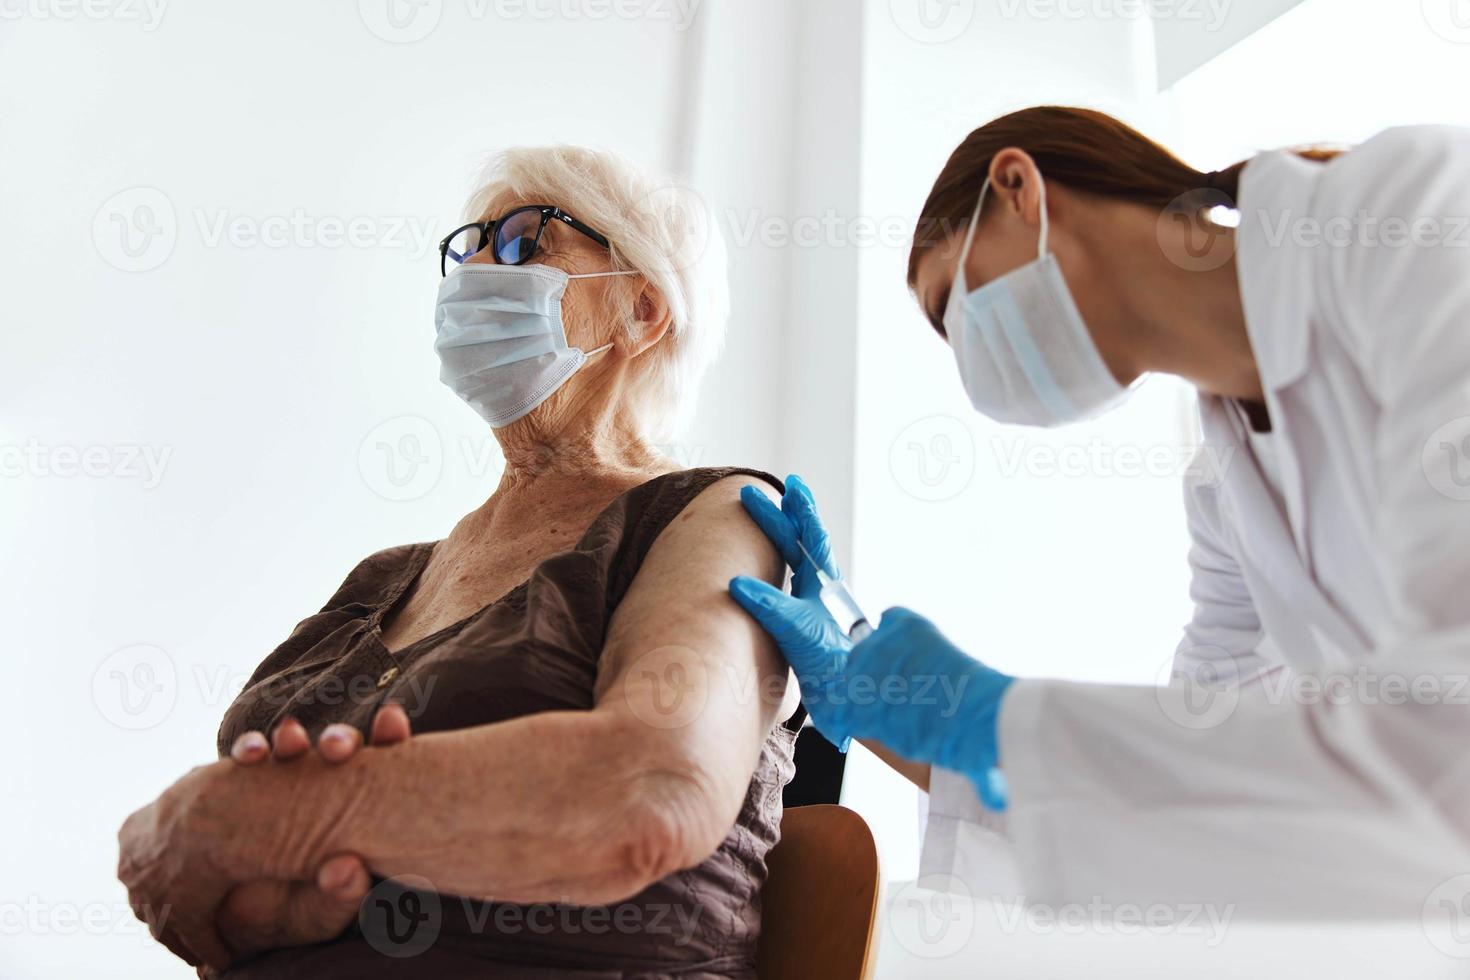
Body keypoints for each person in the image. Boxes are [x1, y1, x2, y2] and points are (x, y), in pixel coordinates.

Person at [731, 107, 1470, 915]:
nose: (969, 358)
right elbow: (1193, 800)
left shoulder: (1410, 217)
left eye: (954, 308)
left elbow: (1441, 740)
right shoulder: (1225, 496)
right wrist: (903, 714)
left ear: (1019, 189)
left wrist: (995, 717)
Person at [117, 145, 801, 977]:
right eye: (465, 247)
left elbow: (655, 792)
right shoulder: (385, 577)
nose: (476, 267)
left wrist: (265, 816)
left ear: (641, 310)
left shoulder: (717, 512)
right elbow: (224, 900)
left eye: (523, 241)